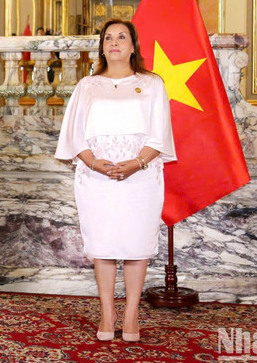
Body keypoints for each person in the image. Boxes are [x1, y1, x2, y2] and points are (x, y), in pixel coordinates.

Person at [55, 18, 176, 342]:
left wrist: (137, 163)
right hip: (97, 180)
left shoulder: (152, 84)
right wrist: (94, 163)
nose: (114, 42)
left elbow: (160, 134)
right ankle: (108, 314)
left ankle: (132, 314)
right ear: (102, 46)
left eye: (122, 37)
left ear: (133, 45)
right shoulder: (87, 86)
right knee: (104, 246)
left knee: (137, 246)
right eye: (108, 37)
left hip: (141, 179)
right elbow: (74, 135)